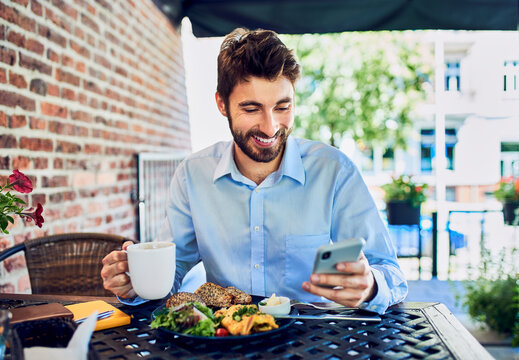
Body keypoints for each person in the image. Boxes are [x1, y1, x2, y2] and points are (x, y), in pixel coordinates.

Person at [101, 28, 407, 314]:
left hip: (314, 338)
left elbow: (391, 274)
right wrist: (135, 284)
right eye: (251, 109)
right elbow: (172, 273)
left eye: (283, 107)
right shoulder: (192, 175)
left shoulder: (335, 171)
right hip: (228, 340)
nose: (270, 127)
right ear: (222, 103)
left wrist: (370, 286)